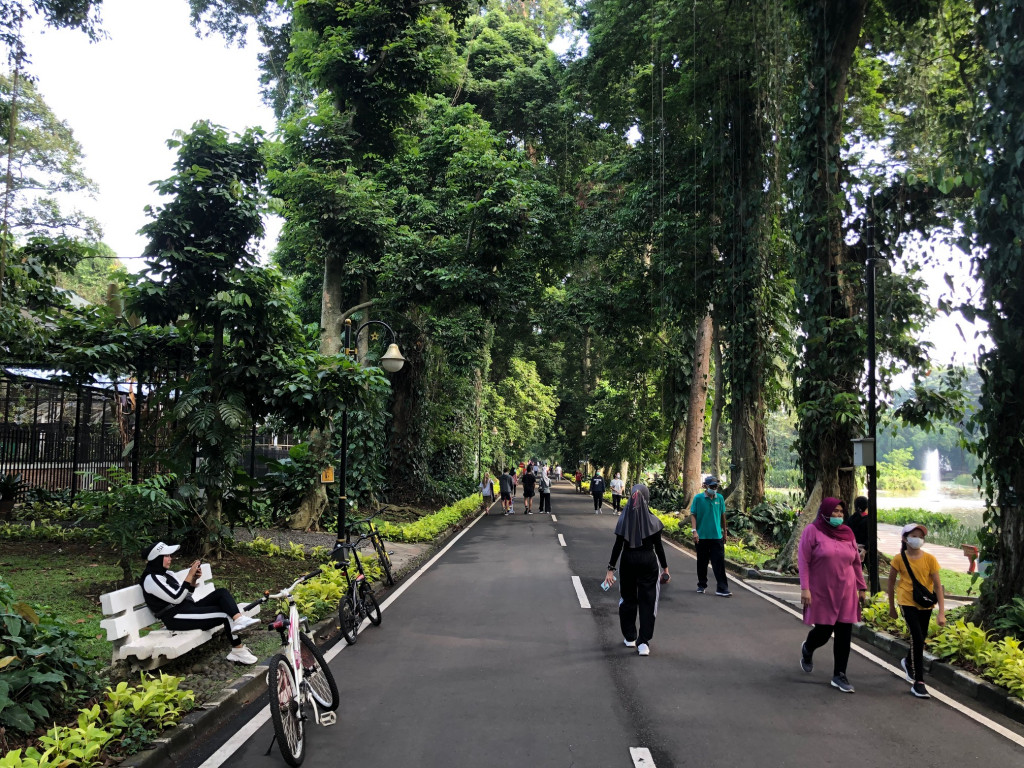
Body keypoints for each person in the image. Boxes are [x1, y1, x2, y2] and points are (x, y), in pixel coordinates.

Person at [139, 541, 259, 665]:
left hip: (187, 608)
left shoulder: (168, 574)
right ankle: (238, 651)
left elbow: (185, 595)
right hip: (176, 617)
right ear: (157, 558)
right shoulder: (151, 579)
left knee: (221, 593)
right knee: (225, 614)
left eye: (170, 555)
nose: (170, 558)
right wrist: (189, 575)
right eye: (166, 556)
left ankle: (239, 620)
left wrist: (193, 579)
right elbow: (176, 598)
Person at [798, 498, 867, 694]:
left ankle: (840, 675)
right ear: (825, 512)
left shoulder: (848, 533)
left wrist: (862, 587)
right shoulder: (813, 531)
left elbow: (856, 562)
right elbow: (803, 560)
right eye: (834, 511)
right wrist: (805, 588)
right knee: (824, 632)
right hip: (822, 590)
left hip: (846, 590)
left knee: (844, 633)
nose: (838, 515)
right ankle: (808, 648)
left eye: (841, 512)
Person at [604, 484, 670, 656]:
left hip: (628, 561)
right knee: (648, 601)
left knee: (628, 598)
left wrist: (610, 569)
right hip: (648, 562)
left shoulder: (623, 520)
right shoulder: (654, 521)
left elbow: (618, 546)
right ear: (647, 498)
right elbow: (659, 547)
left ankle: (630, 636)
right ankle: (644, 643)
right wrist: (665, 568)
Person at [887, 523, 946, 699]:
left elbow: (938, 586)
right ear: (905, 539)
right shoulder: (899, 559)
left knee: (920, 637)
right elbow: (891, 583)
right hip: (906, 601)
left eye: (921, 536)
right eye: (914, 536)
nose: (917, 539)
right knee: (918, 637)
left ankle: (908, 662)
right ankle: (919, 682)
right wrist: (892, 607)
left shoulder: (930, 559)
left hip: (925, 603)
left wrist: (941, 612)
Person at [689, 475, 731, 596]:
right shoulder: (698, 498)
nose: (714, 489)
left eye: (716, 486)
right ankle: (701, 585)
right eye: (712, 486)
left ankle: (722, 588)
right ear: (705, 486)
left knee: (719, 563)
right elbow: (693, 514)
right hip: (701, 536)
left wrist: (725, 531)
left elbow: (722, 515)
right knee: (702, 562)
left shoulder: (720, 498)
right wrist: (694, 531)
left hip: (717, 536)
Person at [845, 496, 870, 563]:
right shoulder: (869, 520)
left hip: (852, 548)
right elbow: (870, 537)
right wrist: (865, 549)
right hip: (865, 550)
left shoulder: (851, 519)